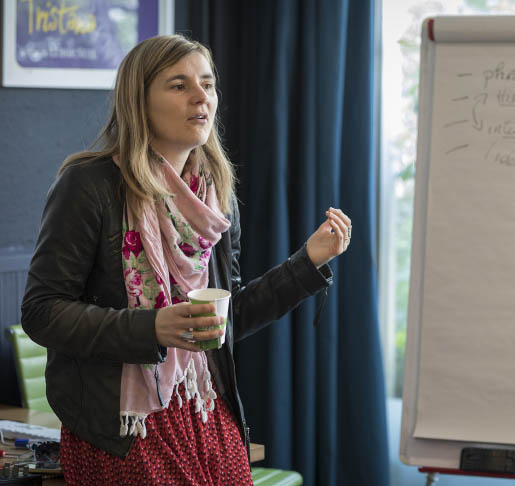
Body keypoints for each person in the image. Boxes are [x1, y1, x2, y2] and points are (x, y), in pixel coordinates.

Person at [21, 34, 351, 486]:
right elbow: (42, 312)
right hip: (122, 427)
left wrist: (307, 263)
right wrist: (151, 328)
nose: (202, 97)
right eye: (179, 85)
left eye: (208, 84)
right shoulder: (89, 184)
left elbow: (226, 320)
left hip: (205, 410)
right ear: (140, 102)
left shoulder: (215, 195)